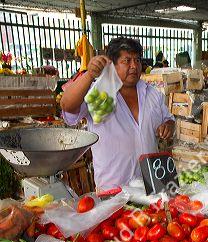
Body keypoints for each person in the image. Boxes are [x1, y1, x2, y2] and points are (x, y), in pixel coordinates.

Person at [60, 37, 175, 191]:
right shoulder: (101, 92)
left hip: (151, 184)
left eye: (137, 60)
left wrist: (168, 125)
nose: (134, 66)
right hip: (113, 189)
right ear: (112, 65)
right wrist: (89, 75)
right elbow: (67, 106)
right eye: (126, 61)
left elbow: (169, 119)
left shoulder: (152, 93)